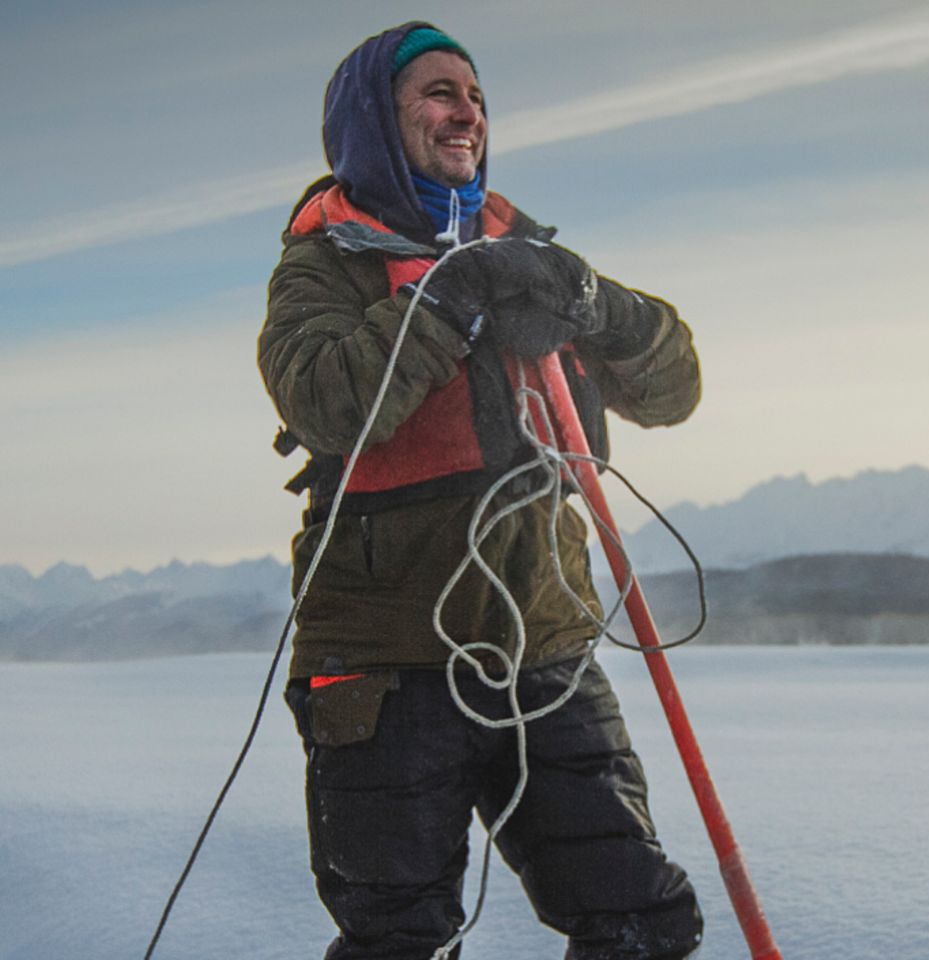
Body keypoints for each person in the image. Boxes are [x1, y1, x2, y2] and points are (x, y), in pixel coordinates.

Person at [258, 22, 704, 960]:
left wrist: (596, 303)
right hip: (384, 668)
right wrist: (446, 295)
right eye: (437, 93)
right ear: (376, 120)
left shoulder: (528, 252)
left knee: (642, 925)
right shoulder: (322, 266)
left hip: (545, 651)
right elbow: (331, 399)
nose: (466, 113)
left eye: (476, 97)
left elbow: (673, 388)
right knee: (400, 943)